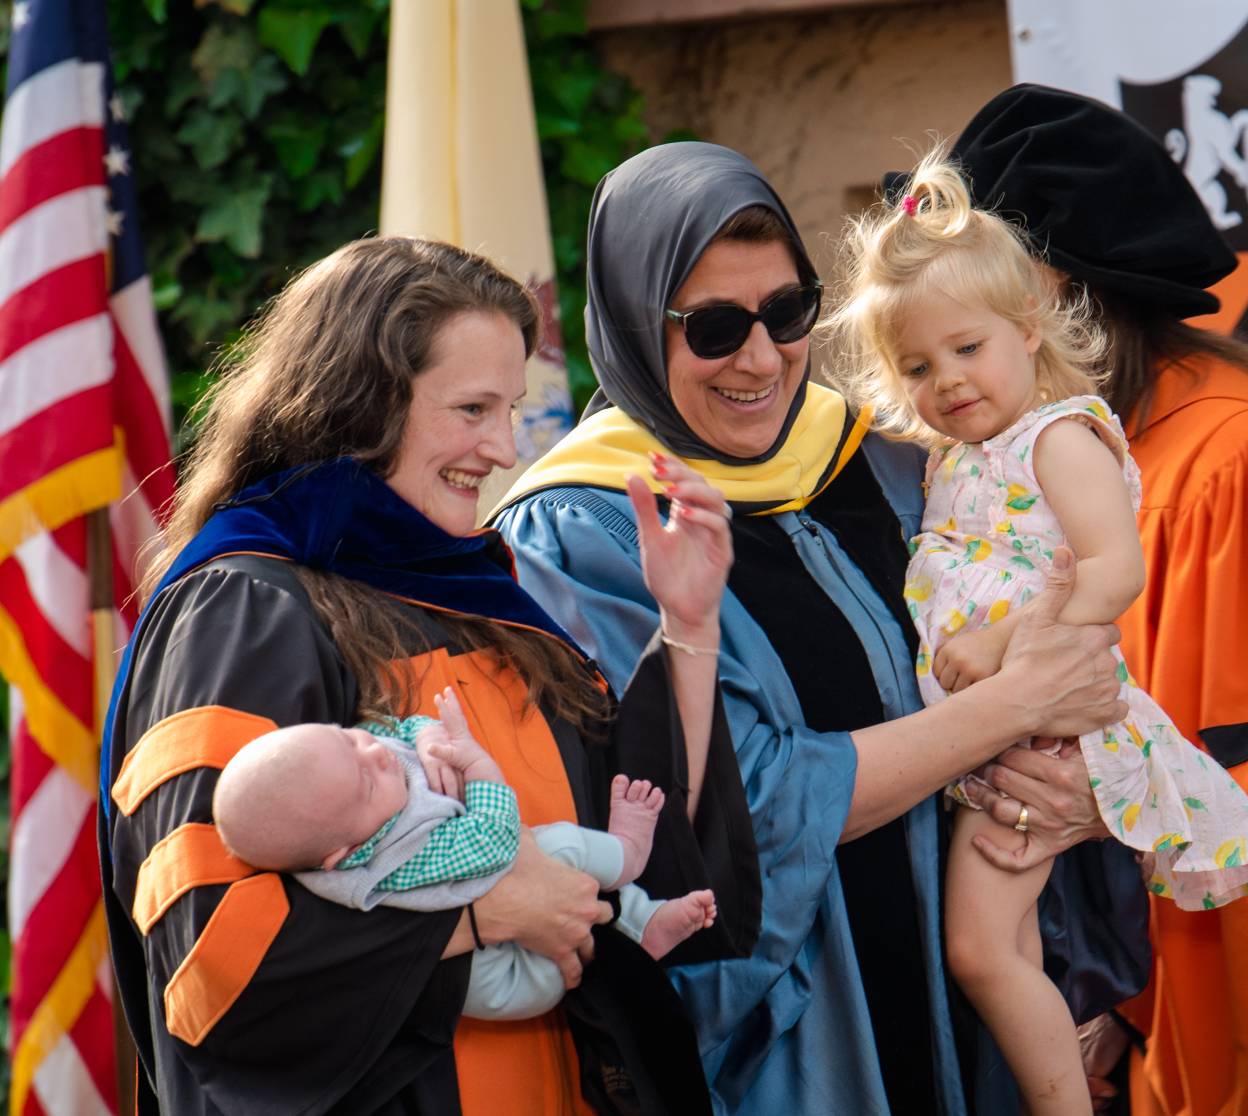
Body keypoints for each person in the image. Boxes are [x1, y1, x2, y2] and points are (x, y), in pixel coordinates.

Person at [492, 140, 1136, 1115]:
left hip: (983, 1024)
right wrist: (1016, 705)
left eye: (787, 311)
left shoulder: (886, 466)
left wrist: (1081, 788)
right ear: (632, 325)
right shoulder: (583, 534)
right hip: (802, 1050)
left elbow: (1064, 649)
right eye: (712, 327)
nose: (760, 358)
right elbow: (746, 804)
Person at [99, 237, 756, 1115]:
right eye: (472, 408)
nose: (501, 450)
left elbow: (640, 844)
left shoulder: (481, 601)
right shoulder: (246, 610)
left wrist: (688, 623)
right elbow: (210, 963)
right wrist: (482, 916)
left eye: (510, 410)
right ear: (359, 403)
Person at [945, 84, 1248, 1115]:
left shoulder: (1228, 462)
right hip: (1163, 1001)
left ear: (1050, 297)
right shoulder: (1101, 458)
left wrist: (1107, 808)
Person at [827, 145, 1248, 1113]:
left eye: (968, 349)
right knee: (997, 946)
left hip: (1044, 724)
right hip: (998, 728)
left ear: (1030, 327)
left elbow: (1114, 569)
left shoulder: (1058, 437)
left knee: (982, 947)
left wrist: (1007, 653)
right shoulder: (960, 459)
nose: (948, 380)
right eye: (916, 366)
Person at [212, 686, 718, 1021]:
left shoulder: (349, 780)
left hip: (511, 917)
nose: (378, 755)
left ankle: (643, 922)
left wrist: (428, 734)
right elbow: (494, 843)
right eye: (368, 779)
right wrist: (477, 767)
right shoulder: (393, 856)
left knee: (561, 876)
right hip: (505, 977)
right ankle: (627, 858)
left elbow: (395, 730)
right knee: (559, 846)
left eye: (351, 738)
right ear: (344, 853)